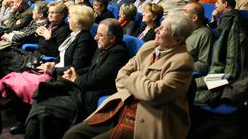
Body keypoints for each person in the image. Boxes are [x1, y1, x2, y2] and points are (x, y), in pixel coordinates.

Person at [63, 12, 195, 139]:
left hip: (151, 117)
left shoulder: (183, 61)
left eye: (163, 29)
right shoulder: (148, 47)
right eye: (159, 25)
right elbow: (121, 75)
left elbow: (154, 94)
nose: (156, 30)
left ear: (177, 40)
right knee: (73, 134)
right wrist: (138, 88)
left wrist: (134, 76)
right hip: (124, 103)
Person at [0, 5, 96, 135]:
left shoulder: (84, 39)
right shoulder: (74, 35)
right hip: (54, 68)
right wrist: (52, 63)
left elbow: (76, 68)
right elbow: (60, 56)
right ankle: (23, 120)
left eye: (71, 17)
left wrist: (53, 68)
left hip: (62, 77)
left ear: (78, 21)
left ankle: (25, 122)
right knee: (18, 76)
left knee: (24, 82)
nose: (68, 20)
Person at [25, 18, 130, 138]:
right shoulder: (104, 46)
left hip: (88, 97)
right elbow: (91, 68)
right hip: (81, 89)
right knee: (41, 100)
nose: (95, 37)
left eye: (100, 35)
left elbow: (96, 78)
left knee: (44, 108)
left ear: (112, 38)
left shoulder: (118, 53)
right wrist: (73, 73)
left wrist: (75, 79)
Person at [183, 2, 212, 74]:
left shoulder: (204, 34)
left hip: (183, 72)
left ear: (194, 18)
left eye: (185, 12)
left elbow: (204, 65)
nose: (181, 14)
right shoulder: (180, 28)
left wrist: (181, 64)